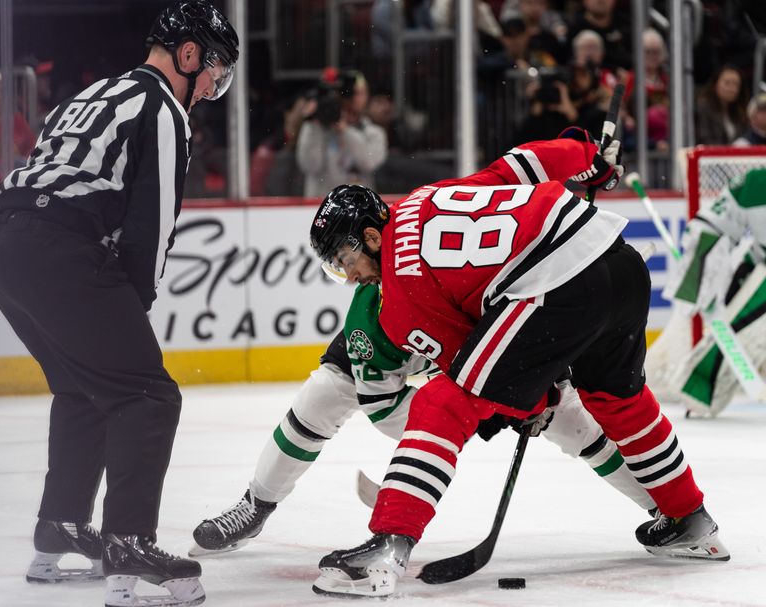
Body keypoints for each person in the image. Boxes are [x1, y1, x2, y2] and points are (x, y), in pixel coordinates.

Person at [307, 131, 729, 597]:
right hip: (618, 257)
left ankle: (386, 549)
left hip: (558, 286)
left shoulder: (399, 300)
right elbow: (522, 163)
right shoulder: (428, 196)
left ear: (370, 236)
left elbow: (472, 365)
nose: (349, 275)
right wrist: (590, 158)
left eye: (346, 259)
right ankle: (692, 522)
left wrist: (529, 400)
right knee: (619, 399)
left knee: (442, 404)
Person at [0, 2, 238, 606]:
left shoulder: (93, 92)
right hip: (59, 254)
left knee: (83, 386)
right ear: (189, 54)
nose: (211, 87)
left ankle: (58, 529)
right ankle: (129, 545)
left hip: (1, 248)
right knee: (146, 394)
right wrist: (131, 307)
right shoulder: (163, 108)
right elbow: (154, 223)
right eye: (215, 70)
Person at [188, 281, 655, 556]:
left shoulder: (458, 266)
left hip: (484, 349)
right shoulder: (367, 326)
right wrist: (479, 422)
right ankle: (256, 504)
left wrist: (547, 378)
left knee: (571, 420)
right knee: (324, 393)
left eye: (345, 259)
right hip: (423, 361)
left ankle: (666, 511)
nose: (349, 275)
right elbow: (388, 413)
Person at [660, 167, 766, 416]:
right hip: (760, 269)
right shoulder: (757, 182)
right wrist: (695, 276)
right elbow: (711, 223)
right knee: (737, 335)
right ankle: (699, 392)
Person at [296, 68, 387, 198]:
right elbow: (310, 165)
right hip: (321, 208)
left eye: (360, 93)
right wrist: (312, 123)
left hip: (359, 209)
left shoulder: (374, 133)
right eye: (351, 93)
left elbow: (368, 162)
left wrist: (345, 130)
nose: (354, 98)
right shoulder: (316, 129)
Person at [695, 65, 748, 145]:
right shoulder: (703, 107)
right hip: (711, 155)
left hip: (735, 156)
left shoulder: (740, 112)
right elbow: (704, 139)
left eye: (736, 84)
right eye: (727, 83)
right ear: (715, 84)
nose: (731, 88)